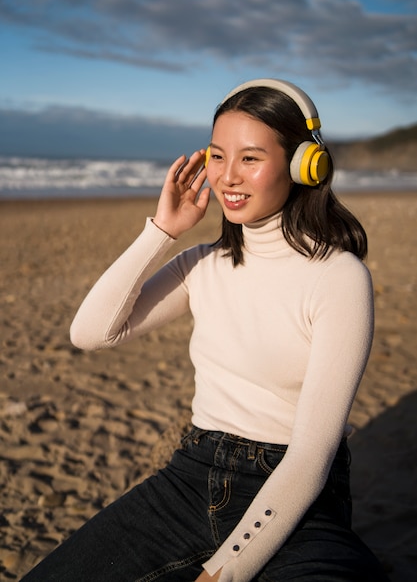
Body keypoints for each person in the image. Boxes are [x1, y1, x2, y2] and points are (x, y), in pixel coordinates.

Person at [22, 78, 390, 582]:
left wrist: (225, 571)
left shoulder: (338, 278)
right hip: (189, 479)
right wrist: (163, 231)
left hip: (295, 494)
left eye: (250, 158)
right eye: (218, 156)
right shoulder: (202, 264)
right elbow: (91, 333)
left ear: (306, 165)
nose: (227, 178)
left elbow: (311, 456)